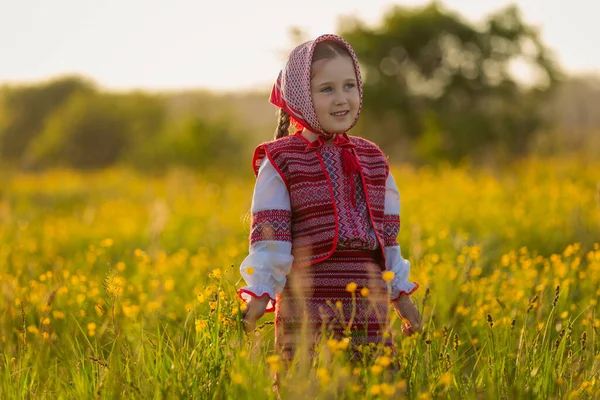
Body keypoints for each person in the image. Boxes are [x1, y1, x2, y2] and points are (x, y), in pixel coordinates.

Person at [237, 33, 421, 363]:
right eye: (327, 89)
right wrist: (259, 294)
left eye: (349, 86)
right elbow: (271, 237)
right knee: (308, 383)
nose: (342, 99)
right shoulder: (281, 160)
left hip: (368, 306)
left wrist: (401, 295)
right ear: (299, 97)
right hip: (308, 304)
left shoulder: (373, 157)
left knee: (373, 381)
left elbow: (387, 240)